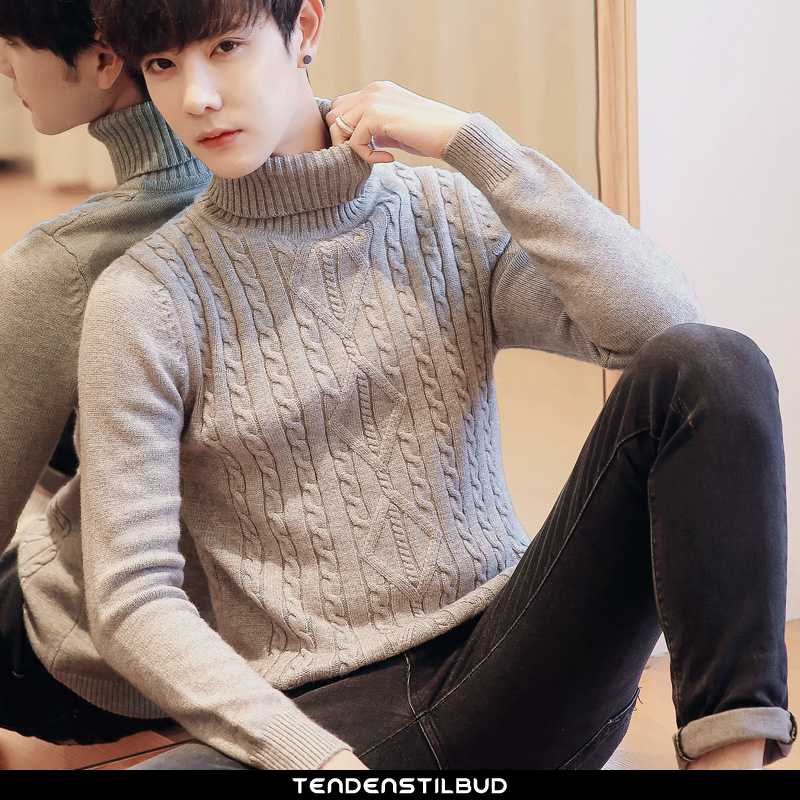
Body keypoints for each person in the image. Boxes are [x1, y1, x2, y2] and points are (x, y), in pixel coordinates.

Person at [80, 0, 795, 771]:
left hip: (511, 664)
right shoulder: (144, 299)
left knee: (712, 365)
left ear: (306, 28)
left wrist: (472, 144)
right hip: (321, 722)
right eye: (163, 65)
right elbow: (132, 600)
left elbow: (660, 322)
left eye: (225, 47)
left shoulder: (442, 218)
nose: (196, 97)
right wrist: (313, 759)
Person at [0, 0, 213, 747]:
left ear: (100, 60)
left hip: (104, 672)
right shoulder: (291, 186)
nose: (4, 69)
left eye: (10, 45)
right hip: (286, 643)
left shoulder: (60, 266)